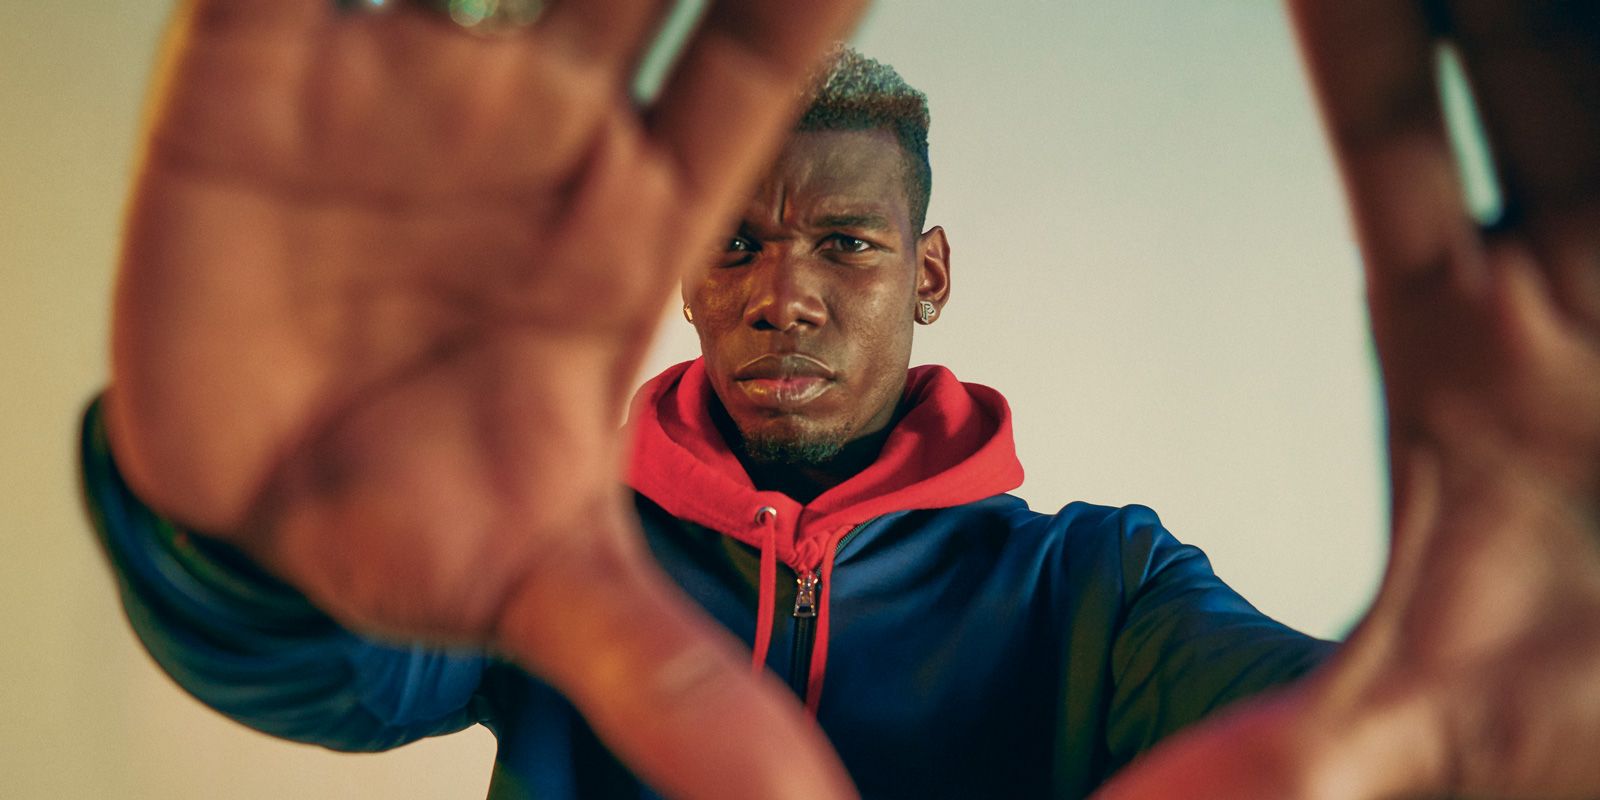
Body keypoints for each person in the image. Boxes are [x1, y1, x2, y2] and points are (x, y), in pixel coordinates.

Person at [85, 0, 1600, 798]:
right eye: (735, 242)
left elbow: (1339, 726)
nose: (783, 290)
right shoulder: (545, 554)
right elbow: (318, 664)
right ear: (680, 279)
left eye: (846, 244)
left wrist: (1489, 744)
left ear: (928, 274)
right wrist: (240, 526)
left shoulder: (1098, 588)